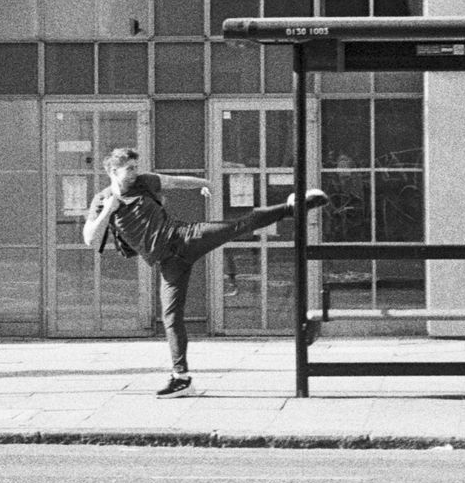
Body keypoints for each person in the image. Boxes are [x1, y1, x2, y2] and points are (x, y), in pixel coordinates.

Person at [83, 147, 327, 397]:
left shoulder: (145, 182)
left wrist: (206, 182)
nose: (136, 172)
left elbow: (176, 181)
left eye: (136, 167)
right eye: (130, 169)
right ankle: (181, 378)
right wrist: (108, 210)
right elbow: (90, 238)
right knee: (171, 317)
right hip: (168, 262)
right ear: (114, 171)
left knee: (237, 226)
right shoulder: (102, 200)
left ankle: (292, 206)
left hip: (185, 237)